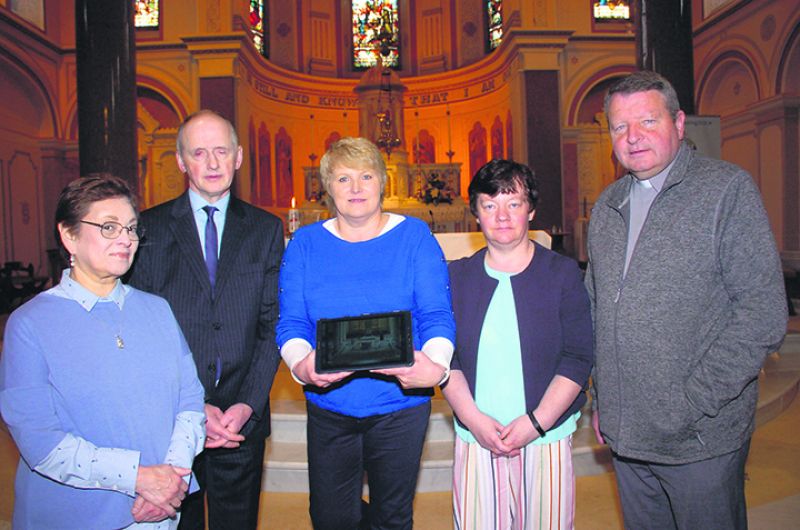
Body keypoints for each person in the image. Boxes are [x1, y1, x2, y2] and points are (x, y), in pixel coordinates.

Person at [585, 70, 788, 529]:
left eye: (647, 121)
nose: (633, 138)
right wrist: (603, 398)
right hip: (627, 434)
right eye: (620, 127)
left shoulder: (725, 190)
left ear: (678, 123)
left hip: (699, 438)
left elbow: (763, 312)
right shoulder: (607, 206)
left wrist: (692, 400)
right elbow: (597, 307)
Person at [0, 175, 206, 529]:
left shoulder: (157, 309)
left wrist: (172, 476)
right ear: (69, 235)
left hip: (160, 509)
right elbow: (40, 440)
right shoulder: (29, 323)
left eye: (131, 228)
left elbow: (190, 400)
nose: (126, 239)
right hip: (77, 512)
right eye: (109, 227)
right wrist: (139, 478)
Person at [276, 137, 456, 530]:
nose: (355, 188)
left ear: (383, 183)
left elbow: (436, 313)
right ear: (328, 187)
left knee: (391, 517)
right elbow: (291, 323)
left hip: (399, 407)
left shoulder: (414, 237)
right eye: (343, 178)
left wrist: (437, 365)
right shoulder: (305, 244)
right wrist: (301, 365)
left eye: (366, 176)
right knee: (330, 518)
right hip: (330, 407)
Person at [128, 110, 284, 530]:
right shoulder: (149, 229)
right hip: (173, 414)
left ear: (238, 156)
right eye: (199, 153)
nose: (212, 163)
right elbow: (141, 330)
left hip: (240, 418)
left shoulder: (266, 229)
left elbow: (273, 324)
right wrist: (195, 406)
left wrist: (246, 405)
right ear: (181, 162)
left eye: (221, 151)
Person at [443, 159, 593, 530]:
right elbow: (447, 360)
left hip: (545, 437)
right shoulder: (456, 277)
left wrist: (535, 424)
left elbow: (577, 357)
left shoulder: (562, 274)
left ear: (532, 209)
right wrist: (474, 420)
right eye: (490, 204)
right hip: (477, 437)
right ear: (475, 213)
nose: (502, 215)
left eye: (514, 203)